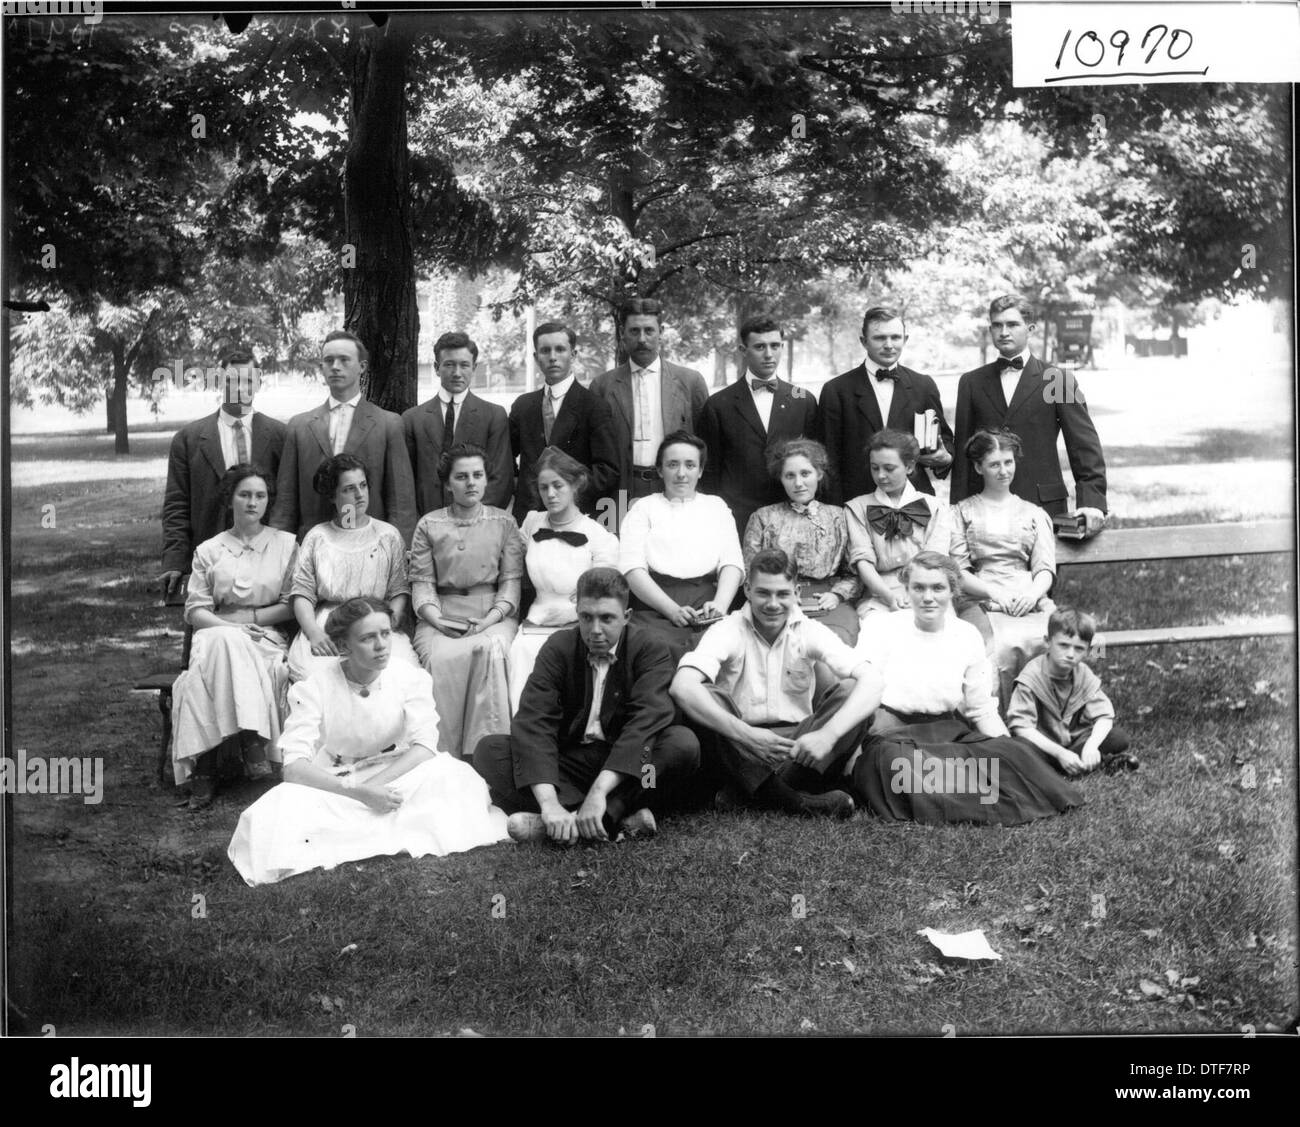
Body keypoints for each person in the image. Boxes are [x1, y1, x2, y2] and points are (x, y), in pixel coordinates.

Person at [227, 598, 508, 886]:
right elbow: (293, 768)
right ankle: (381, 824)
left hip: (396, 774)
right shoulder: (314, 687)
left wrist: (377, 787)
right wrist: (359, 792)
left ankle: (363, 826)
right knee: (279, 805)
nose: (381, 645)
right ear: (344, 645)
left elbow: (425, 747)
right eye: (368, 638)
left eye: (386, 634)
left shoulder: (409, 677)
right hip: (338, 781)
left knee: (452, 776)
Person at [846, 551, 1083, 825]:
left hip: (947, 733)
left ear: (952, 591)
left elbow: (981, 709)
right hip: (893, 735)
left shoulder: (967, 635)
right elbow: (860, 695)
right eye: (918, 587)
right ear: (906, 589)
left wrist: (1008, 747)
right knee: (895, 764)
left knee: (1012, 752)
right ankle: (974, 796)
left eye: (938, 588)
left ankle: (955, 796)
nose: (928, 597)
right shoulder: (882, 627)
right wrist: (852, 758)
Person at [473, 568, 700, 844]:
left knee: (680, 747)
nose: (595, 630)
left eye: (606, 619)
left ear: (626, 617)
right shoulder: (558, 647)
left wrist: (600, 792)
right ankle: (592, 818)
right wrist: (548, 803)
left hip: (632, 768)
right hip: (571, 764)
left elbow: (646, 722)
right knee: (489, 752)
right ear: (576, 613)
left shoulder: (650, 648)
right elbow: (534, 723)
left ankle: (593, 816)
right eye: (586, 617)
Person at [670, 549, 877, 819]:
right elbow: (681, 687)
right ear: (747, 589)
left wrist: (828, 735)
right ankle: (794, 800)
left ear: (796, 591)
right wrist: (745, 735)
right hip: (739, 746)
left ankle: (750, 793)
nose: (772, 603)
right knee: (703, 695)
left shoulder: (809, 630)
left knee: (853, 692)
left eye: (782, 594)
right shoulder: (727, 629)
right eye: (763, 593)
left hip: (798, 749)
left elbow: (873, 681)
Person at [171, 464, 298, 810]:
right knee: (224, 644)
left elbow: (291, 604)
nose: (252, 502)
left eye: (260, 495)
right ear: (230, 500)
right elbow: (196, 611)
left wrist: (250, 621)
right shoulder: (209, 550)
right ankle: (251, 739)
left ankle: (207, 770)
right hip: (216, 634)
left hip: (264, 637)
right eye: (244, 494)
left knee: (211, 667)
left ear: (268, 501)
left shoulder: (286, 545)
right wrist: (233, 629)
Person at [951, 294, 1107, 535]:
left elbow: (1083, 446)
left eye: (1012, 324)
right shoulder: (971, 382)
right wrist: (957, 512)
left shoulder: (1057, 379)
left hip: (1043, 505)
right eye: (997, 325)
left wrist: (1092, 502)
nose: (1004, 332)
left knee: (1043, 572)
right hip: (984, 507)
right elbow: (963, 455)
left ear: (1030, 329)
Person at [410, 443, 523, 758]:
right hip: (441, 614)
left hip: (492, 615)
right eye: (461, 477)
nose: (470, 482)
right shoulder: (429, 524)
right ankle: (441, 755)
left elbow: (511, 583)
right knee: (438, 657)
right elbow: (422, 585)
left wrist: (489, 620)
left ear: (487, 480)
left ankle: (487, 755)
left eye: (477, 475)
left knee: (492, 650)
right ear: (448, 484)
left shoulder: (504, 523)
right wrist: (439, 621)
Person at [159, 349, 285, 599]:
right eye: (232, 380)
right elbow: (177, 506)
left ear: (258, 383)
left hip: (266, 560)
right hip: (210, 560)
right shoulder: (189, 440)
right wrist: (175, 560)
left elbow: (289, 502)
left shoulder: (280, 436)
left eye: (248, 380)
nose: (240, 388)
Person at [271, 330, 418, 543]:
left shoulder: (388, 424)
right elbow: (286, 501)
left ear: (362, 367)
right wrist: (281, 550)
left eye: (344, 360)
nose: (335, 366)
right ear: (321, 368)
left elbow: (401, 501)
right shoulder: (299, 426)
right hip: (314, 546)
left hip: (370, 547)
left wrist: (399, 552)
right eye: (328, 360)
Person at [284, 454, 419, 683]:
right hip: (329, 623)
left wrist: (387, 624)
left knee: (397, 673)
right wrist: (314, 633)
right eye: (348, 489)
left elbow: (399, 590)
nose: (359, 495)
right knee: (319, 676)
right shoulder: (318, 537)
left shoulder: (387, 535)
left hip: (377, 618)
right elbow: (302, 593)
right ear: (333, 495)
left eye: (363, 486)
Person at [951, 428, 1057, 707]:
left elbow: (1045, 568)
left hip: (1028, 594)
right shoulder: (962, 512)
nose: (1003, 471)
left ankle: (1050, 723)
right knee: (996, 645)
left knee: (1058, 639)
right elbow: (959, 571)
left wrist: (1033, 595)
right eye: (994, 464)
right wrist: (995, 595)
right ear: (978, 467)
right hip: (981, 596)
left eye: (1008, 462)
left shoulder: (1034, 513)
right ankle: (998, 723)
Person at [508, 447, 620, 711]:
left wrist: (575, 613)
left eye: (558, 485)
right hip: (535, 621)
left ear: (575, 485)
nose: (550, 494)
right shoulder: (532, 523)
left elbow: (603, 596)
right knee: (520, 653)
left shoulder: (598, 536)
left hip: (580, 624)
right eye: (544, 487)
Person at [618, 431, 744, 660]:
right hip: (654, 607)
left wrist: (719, 606)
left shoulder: (716, 507)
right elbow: (632, 569)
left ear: (701, 470)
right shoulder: (643, 508)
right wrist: (671, 610)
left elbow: (732, 562)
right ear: (659, 470)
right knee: (654, 654)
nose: (681, 474)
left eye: (690, 465)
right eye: (672, 464)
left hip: (708, 604)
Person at [698, 314, 820, 537]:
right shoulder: (718, 405)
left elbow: (816, 462)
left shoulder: (804, 400)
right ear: (743, 350)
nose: (769, 354)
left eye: (775, 346)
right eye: (760, 347)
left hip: (792, 513)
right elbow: (710, 471)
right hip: (737, 516)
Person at [817, 306, 953, 504]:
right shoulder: (836, 390)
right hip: (856, 500)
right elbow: (828, 458)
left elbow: (945, 437)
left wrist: (945, 457)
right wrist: (837, 510)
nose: (889, 345)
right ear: (863, 341)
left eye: (896, 337)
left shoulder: (923, 385)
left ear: (905, 339)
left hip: (913, 499)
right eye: (880, 338)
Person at [589, 298, 710, 505]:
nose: (642, 339)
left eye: (649, 330)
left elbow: (705, 445)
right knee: (623, 537)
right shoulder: (603, 386)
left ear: (660, 332)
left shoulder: (690, 382)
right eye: (634, 331)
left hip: (675, 488)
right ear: (622, 333)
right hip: (620, 491)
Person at [743, 438, 860, 648]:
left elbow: (854, 572)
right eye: (790, 475)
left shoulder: (838, 516)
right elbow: (748, 573)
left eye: (805, 474)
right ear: (781, 478)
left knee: (833, 645)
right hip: (774, 601)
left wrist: (837, 595)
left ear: (819, 474)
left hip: (827, 602)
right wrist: (777, 596)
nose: (798, 483)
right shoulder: (763, 517)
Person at [508, 320, 619, 525]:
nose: (552, 357)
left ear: (573, 355)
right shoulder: (523, 406)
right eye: (545, 350)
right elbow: (506, 459)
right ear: (535, 357)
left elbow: (607, 470)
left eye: (560, 349)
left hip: (576, 516)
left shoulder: (594, 406)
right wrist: (523, 487)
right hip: (529, 517)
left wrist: (569, 494)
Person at [1007, 607, 1138, 775]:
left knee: (1118, 737)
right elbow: (1021, 727)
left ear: (1087, 649)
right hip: (1044, 746)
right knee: (1020, 749)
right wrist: (1060, 753)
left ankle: (1074, 764)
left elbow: (1104, 716)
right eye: (1063, 645)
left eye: (1079, 649)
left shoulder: (1082, 672)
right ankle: (1097, 763)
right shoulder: (1031, 677)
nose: (1070, 654)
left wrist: (1091, 746)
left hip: (1074, 740)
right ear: (1047, 641)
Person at [845, 428, 952, 621]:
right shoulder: (857, 508)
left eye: (889, 468)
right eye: (875, 468)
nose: (881, 476)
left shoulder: (936, 507)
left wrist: (918, 595)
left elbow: (935, 560)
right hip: (879, 595)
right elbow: (863, 562)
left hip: (927, 591)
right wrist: (888, 596)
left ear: (909, 467)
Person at [402, 330, 514, 514]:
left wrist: (469, 523)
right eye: (449, 365)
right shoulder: (413, 419)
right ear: (436, 368)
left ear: (474, 368)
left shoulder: (493, 415)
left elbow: (500, 480)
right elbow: (405, 483)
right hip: (427, 524)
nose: (457, 373)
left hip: (477, 527)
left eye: (464, 365)